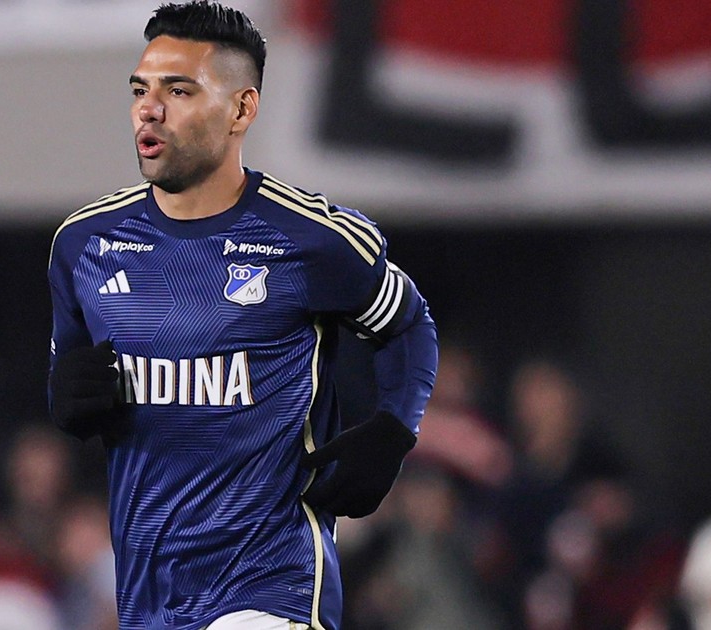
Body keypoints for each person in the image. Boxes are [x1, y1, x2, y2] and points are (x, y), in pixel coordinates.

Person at [45, 2, 438, 628]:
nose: (150, 109)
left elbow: (409, 325)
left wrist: (394, 430)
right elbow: (71, 382)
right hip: (148, 596)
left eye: (178, 91)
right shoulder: (84, 244)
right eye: (141, 90)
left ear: (241, 110)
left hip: (272, 589)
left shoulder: (311, 239)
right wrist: (68, 400)